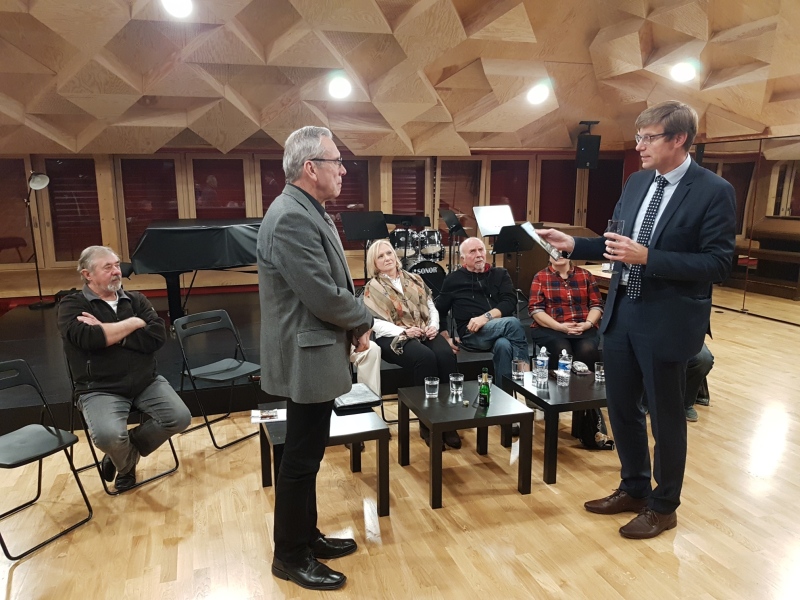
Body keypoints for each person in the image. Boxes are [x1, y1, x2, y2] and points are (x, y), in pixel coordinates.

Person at [537, 100, 736, 539]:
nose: (640, 145)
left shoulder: (713, 191)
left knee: (665, 418)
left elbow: (719, 264)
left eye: (649, 137)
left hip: (667, 319)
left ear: (679, 139)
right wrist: (573, 244)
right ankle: (634, 488)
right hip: (622, 311)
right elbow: (617, 245)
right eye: (639, 137)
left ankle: (664, 507)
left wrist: (650, 257)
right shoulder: (638, 181)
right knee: (622, 407)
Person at [257, 125, 372, 591]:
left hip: (314, 348)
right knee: (301, 458)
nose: (343, 170)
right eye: (336, 161)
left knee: (308, 453)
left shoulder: (307, 209)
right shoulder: (291, 217)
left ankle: (306, 536)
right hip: (305, 354)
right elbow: (323, 294)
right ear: (310, 167)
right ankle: (289, 555)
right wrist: (362, 319)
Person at [57, 246, 191, 492]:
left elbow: (156, 336)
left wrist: (109, 332)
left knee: (180, 418)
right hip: (99, 388)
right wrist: (134, 323)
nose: (116, 271)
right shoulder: (71, 305)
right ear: (87, 274)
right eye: (107, 267)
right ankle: (127, 466)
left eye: (117, 265)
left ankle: (121, 454)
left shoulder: (136, 299)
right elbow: (89, 338)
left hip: (145, 381)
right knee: (108, 437)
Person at [363, 239, 460, 449]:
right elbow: (375, 323)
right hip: (393, 337)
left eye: (389, 253)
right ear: (374, 262)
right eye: (380, 256)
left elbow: (431, 306)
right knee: (424, 358)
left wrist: (433, 326)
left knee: (445, 355)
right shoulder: (373, 287)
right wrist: (404, 331)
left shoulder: (415, 278)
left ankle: (448, 422)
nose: (387, 258)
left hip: (423, 330)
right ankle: (427, 423)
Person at [435, 237, 529, 384]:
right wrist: (444, 336)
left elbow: (510, 301)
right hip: (471, 333)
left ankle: (504, 393)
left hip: (500, 328)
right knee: (513, 323)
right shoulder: (453, 280)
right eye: (473, 251)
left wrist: (485, 317)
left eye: (481, 250)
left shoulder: (500, 274)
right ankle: (526, 383)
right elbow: (439, 309)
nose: (478, 254)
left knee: (503, 345)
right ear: (463, 258)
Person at [528, 255, 604, 370]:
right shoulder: (540, 276)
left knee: (587, 350)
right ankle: (557, 380)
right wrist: (559, 327)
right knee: (562, 350)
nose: (559, 255)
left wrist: (588, 324)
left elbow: (596, 304)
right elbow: (535, 309)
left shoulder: (585, 274)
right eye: (554, 251)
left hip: (583, 327)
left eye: (563, 252)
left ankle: (587, 381)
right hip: (550, 327)